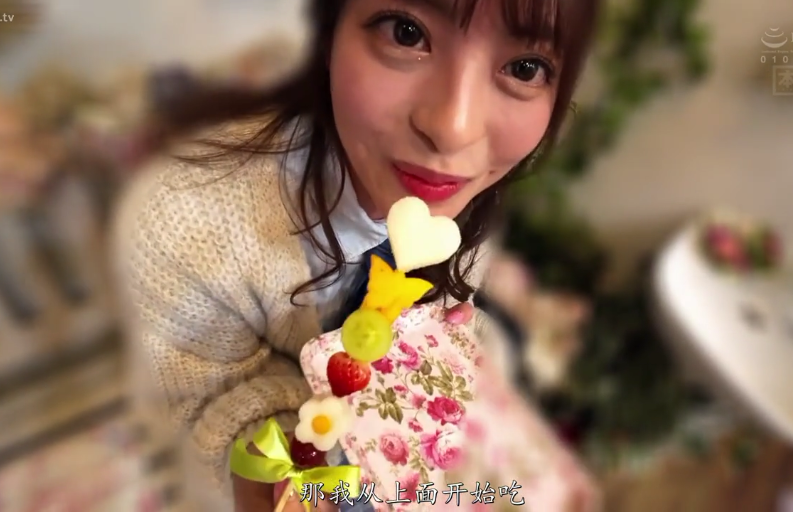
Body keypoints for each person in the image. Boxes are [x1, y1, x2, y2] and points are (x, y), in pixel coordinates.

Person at [116, 0, 599, 510]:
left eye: (524, 68)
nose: (453, 128)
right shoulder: (183, 217)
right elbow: (207, 401)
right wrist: (286, 470)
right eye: (406, 33)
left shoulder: (464, 200)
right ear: (328, 32)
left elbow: (453, 323)